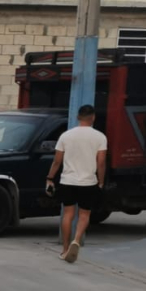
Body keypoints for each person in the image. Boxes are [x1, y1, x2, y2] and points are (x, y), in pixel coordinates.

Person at [47, 105, 108, 263]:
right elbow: (101, 163)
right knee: (84, 214)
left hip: (68, 181)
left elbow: (57, 161)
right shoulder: (100, 137)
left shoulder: (66, 136)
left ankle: (65, 248)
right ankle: (77, 239)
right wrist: (100, 181)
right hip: (88, 182)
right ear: (93, 117)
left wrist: (50, 178)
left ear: (78, 117)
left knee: (68, 214)